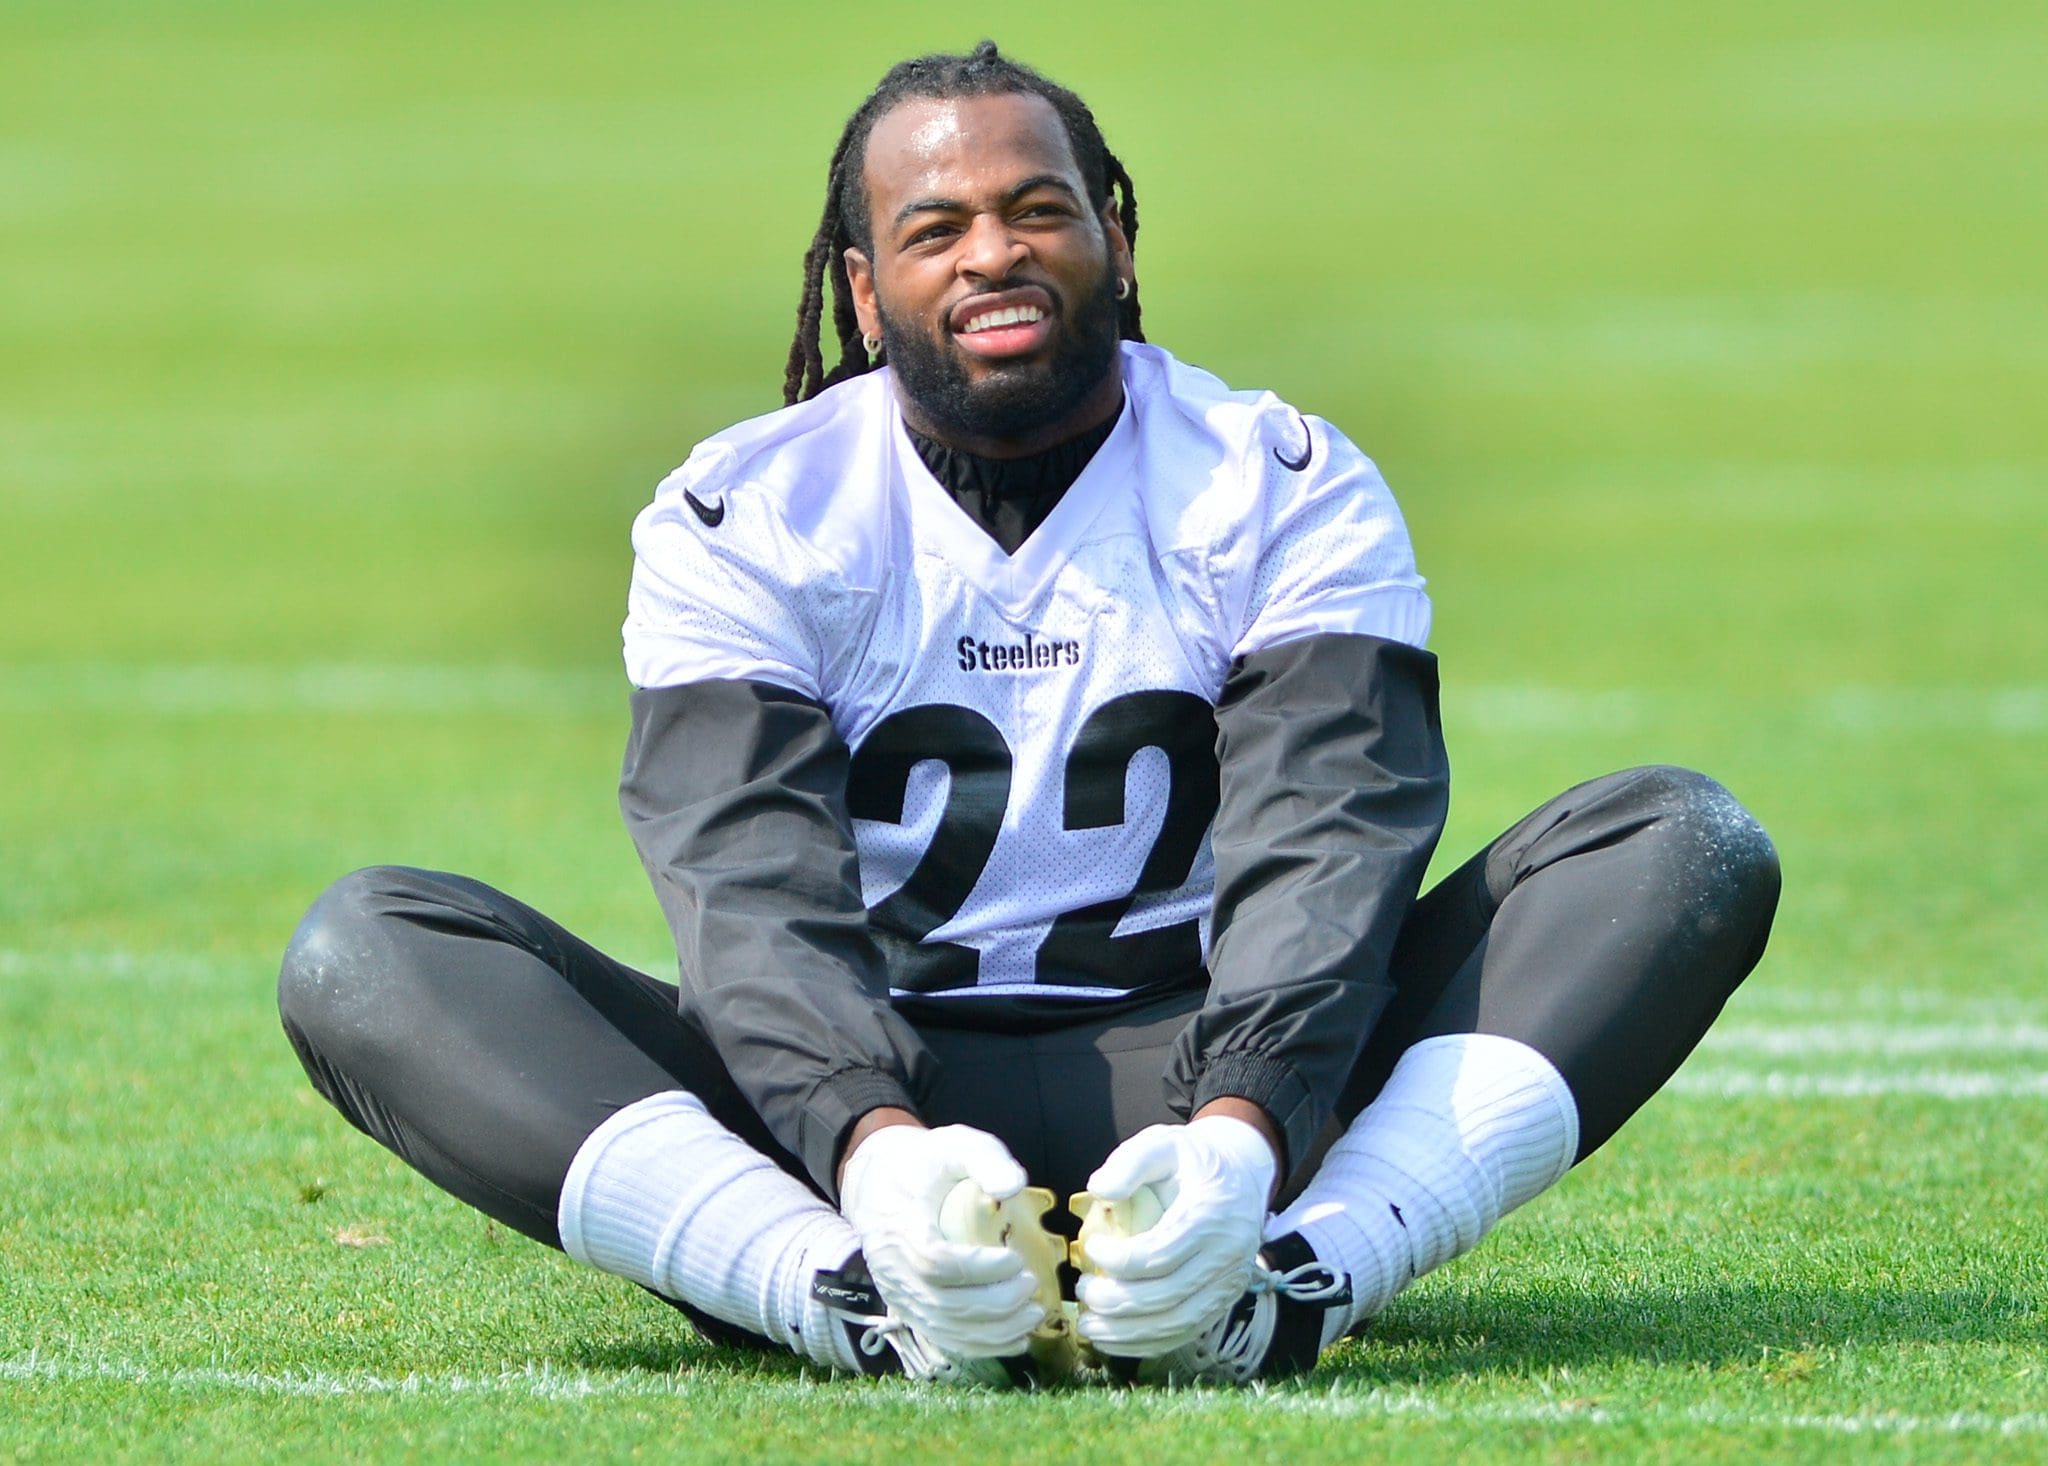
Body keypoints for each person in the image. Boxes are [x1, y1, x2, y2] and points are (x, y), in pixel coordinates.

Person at [277, 42, 1781, 1387]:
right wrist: (870, 1155)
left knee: (1679, 845)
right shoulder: (751, 512)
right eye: (933, 229)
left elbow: (1330, 843)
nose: (992, 252)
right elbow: (749, 897)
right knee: (368, 948)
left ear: (1116, 238)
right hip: (866, 1094)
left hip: (1209, 1071)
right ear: (863, 286)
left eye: (1038, 209)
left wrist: (1244, 1133)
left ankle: (1292, 1282)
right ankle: (850, 1299)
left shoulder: (1271, 478)